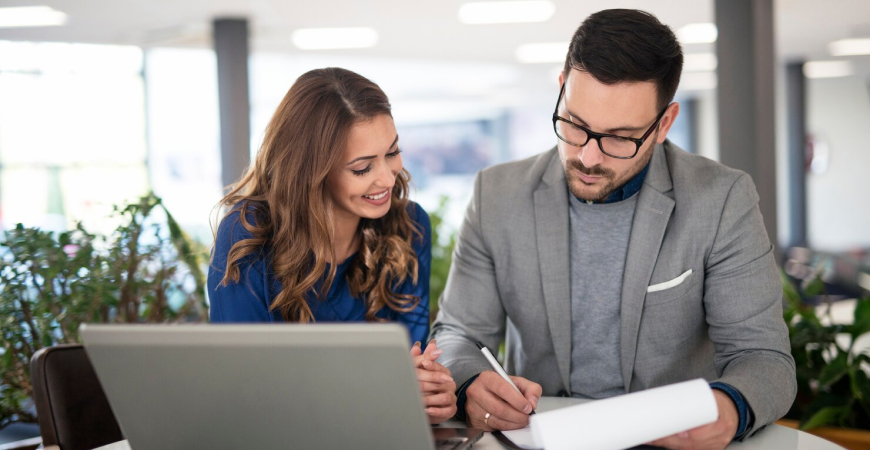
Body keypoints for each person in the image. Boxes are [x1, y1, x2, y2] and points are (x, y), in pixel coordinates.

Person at [430, 8, 796, 450]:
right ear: (562, 88)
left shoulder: (722, 199)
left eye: (620, 137)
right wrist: (470, 382)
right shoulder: (497, 195)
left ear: (664, 123)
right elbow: (456, 334)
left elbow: (765, 359)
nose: (588, 157)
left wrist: (729, 406)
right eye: (575, 126)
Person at [208, 67, 457, 424]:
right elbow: (245, 391)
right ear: (311, 171)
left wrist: (430, 393)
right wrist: (384, 390)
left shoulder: (409, 227)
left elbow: (408, 367)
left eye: (392, 152)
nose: (387, 178)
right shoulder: (247, 236)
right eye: (361, 168)